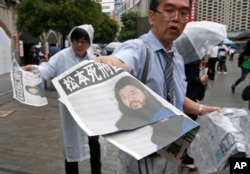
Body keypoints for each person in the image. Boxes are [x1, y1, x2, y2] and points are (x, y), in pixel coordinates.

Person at [93, 0, 221, 173]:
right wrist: (112, 63)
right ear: (152, 17)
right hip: (142, 154)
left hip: (172, 150)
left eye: (183, 13)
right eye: (169, 11)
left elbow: (175, 98)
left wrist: (203, 110)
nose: (176, 18)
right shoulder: (138, 48)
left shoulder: (177, 58)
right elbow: (123, 60)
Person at [22, 24, 103, 174]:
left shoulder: (94, 59)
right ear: (71, 40)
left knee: (94, 142)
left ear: (90, 42)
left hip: (90, 110)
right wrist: (34, 69)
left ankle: (96, 171)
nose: (79, 45)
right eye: (76, 40)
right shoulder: (62, 56)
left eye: (84, 41)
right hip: (70, 110)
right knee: (71, 143)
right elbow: (48, 68)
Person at [181, 59, 208, 171]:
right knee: (188, 130)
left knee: (188, 129)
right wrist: (200, 80)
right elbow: (184, 79)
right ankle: (185, 159)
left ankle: (184, 158)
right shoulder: (185, 58)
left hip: (188, 97)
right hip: (186, 97)